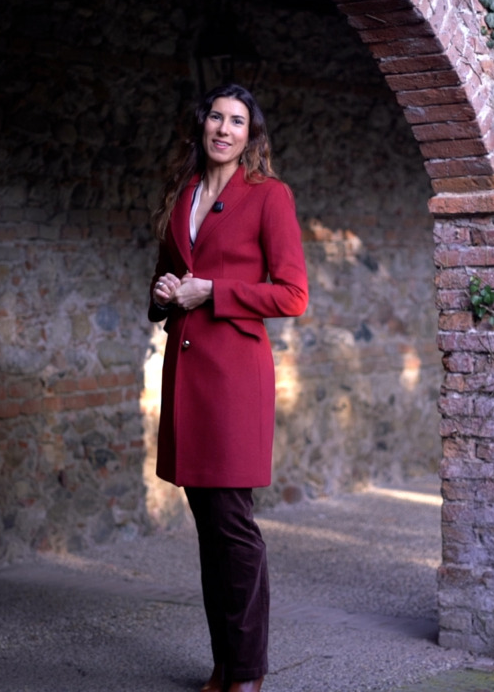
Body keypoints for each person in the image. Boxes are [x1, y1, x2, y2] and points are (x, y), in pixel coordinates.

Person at [148, 83, 308, 692]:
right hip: (187, 376)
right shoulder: (184, 192)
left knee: (234, 529)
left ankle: (246, 673)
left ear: (250, 135)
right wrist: (166, 292)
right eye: (216, 117)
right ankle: (225, 664)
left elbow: (292, 294)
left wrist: (213, 291)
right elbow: (167, 280)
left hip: (235, 378)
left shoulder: (269, 196)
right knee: (211, 530)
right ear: (202, 124)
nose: (223, 128)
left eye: (237, 121)